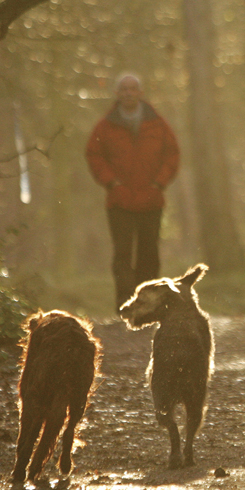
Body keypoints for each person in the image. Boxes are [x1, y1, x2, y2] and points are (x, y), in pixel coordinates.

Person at [86, 74, 180, 312]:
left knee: (150, 253)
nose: (128, 93)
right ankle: (125, 305)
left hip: (151, 199)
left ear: (140, 92)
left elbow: (173, 155)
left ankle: (148, 304)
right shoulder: (105, 126)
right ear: (117, 94)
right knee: (122, 255)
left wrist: (159, 183)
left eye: (133, 89)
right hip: (120, 202)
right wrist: (111, 182)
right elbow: (94, 154)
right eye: (124, 89)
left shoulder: (158, 124)